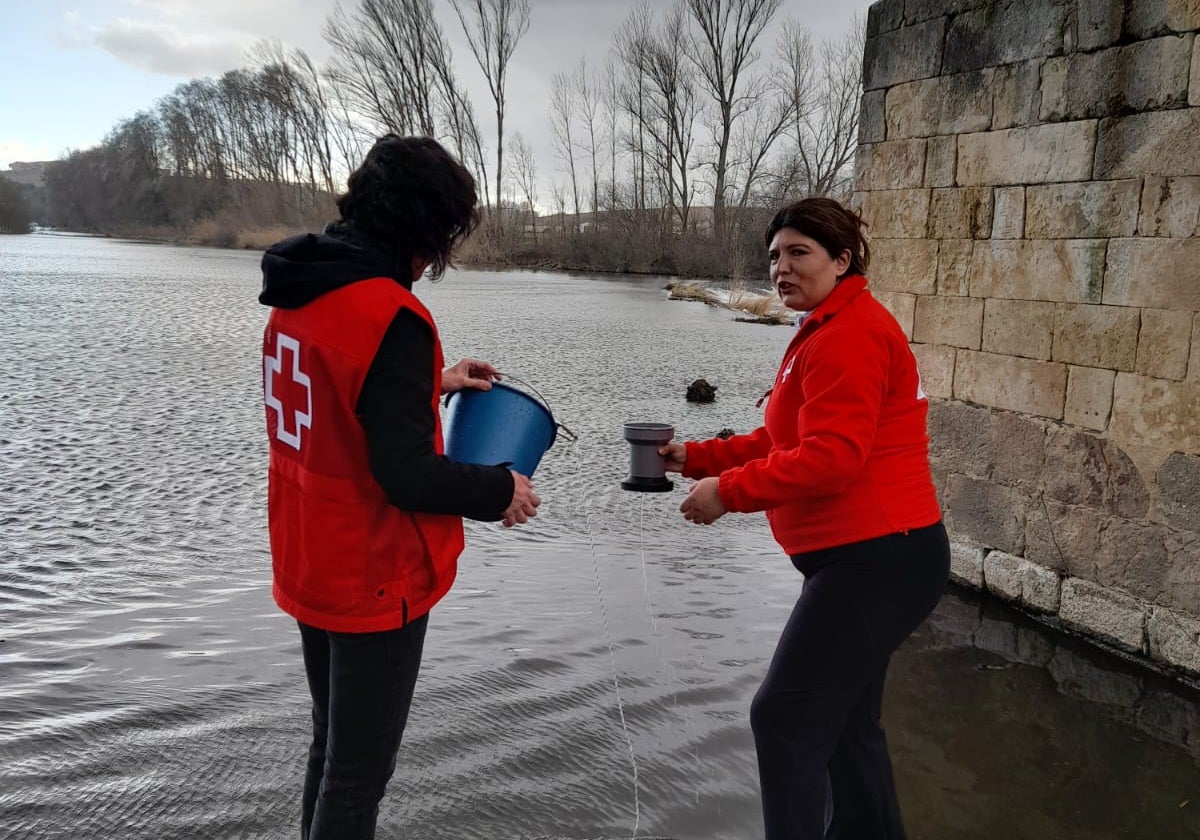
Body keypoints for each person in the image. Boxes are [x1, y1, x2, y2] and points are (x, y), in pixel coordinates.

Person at [258, 134, 540, 840]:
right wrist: (498, 488)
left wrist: (430, 383)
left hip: (306, 554)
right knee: (357, 781)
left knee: (330, 751)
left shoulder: (302, 288)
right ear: (423, 227)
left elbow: (335, 397)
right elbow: (407, 474)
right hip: (371, 574)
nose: (435, 259)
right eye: (441, 237)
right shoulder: (389, 314)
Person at [661, 196, 949, 839]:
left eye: (799, 253)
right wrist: (697, 457)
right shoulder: (824, 326)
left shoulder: (850, 334)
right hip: (876, 558)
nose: (780, 269)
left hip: (877, 561)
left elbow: (830, 460)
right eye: (773, 256)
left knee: (784, 719)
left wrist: (726, 493)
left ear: (842, 260)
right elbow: (783, 438)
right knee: (847, 729)